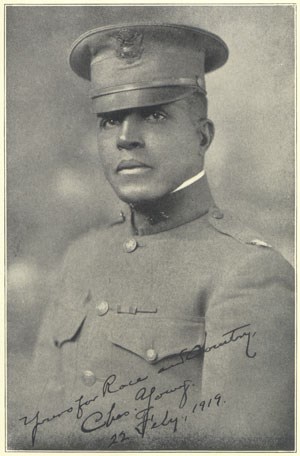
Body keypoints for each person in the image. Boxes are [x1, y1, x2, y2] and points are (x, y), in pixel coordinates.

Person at [16, 23, 294, 451]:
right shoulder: (81, 257)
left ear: (202, 136)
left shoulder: (249, 273)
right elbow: (32, 433)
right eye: (110, 121)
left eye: (155, 114)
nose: (126, 139)